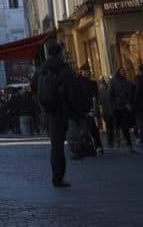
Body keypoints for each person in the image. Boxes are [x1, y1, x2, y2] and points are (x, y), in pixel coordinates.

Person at [31, 41, 78, 188]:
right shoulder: (64, 69)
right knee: (64, 143)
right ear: (60, 53)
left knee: (55, 146)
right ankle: (59, 178)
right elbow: (73, 92)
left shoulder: (40, 70)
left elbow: (33, 89)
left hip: (48, 111)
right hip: (63, 110)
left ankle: (57, 177)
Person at [74, 66, 104, 154]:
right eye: (85, 71)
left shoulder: (92, 82)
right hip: (81, 109)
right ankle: (89, 146)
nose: (87, 72)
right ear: (81, 71)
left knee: (92, 128)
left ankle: (97, 146)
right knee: (86, 129)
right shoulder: (77, 82)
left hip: (88, 108)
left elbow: (95, 96)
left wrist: (94, 107)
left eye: (88, 71)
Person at [110, 70, 137, 153]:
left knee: (121, 125)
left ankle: (123, 142)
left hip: (120, 107)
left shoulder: (124, 82)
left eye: (125, 71)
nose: (124, 73)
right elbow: (111, 95)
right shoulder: (123, 82)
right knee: (122, 125)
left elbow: (111, 95)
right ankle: (127, 143)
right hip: (120, 106)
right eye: (123, 72)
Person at [98, 77, 116, 148]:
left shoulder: (100, 91)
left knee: (109, 127)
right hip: (110, 111)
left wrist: (101, 112)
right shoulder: (108, 90)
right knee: (111, 127)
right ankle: (111, 141)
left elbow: (100, 104)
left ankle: (110, 142)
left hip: (107, 111)